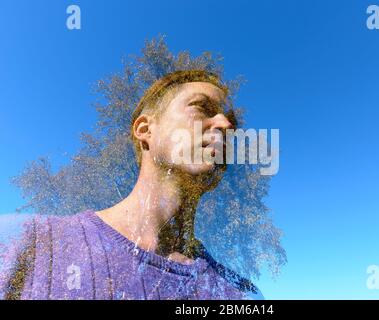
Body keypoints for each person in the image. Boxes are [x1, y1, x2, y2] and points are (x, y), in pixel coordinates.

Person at [0, 70, 263, 300]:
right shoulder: (22, 244)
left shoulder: (241, 295)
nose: (226, 125)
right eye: (202, 107)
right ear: (145, 130)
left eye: (233, 123)